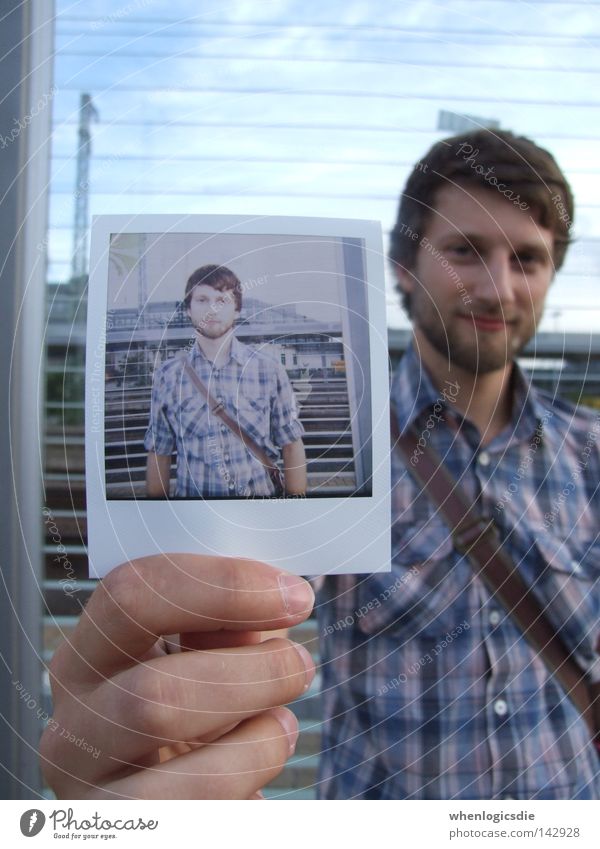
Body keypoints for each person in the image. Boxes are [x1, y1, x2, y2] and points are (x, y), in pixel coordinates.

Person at [42, 129, 599, 800]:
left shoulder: (589, 452)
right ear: (402, 265)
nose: (499, 286)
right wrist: (161, 706)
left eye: (528, 259)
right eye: (464, 250)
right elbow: (228, 606)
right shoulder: (361, 455)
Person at [144, 263, 307, 498]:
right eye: (202, 300)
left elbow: (291, 444)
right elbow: (159, 452)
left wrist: (296, 511)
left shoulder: (268, 370)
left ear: (237, 310)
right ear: (188, 310)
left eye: (222, 300)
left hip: (261, 511)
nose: (212, 309)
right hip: (194, 516)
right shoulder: (168, 376)